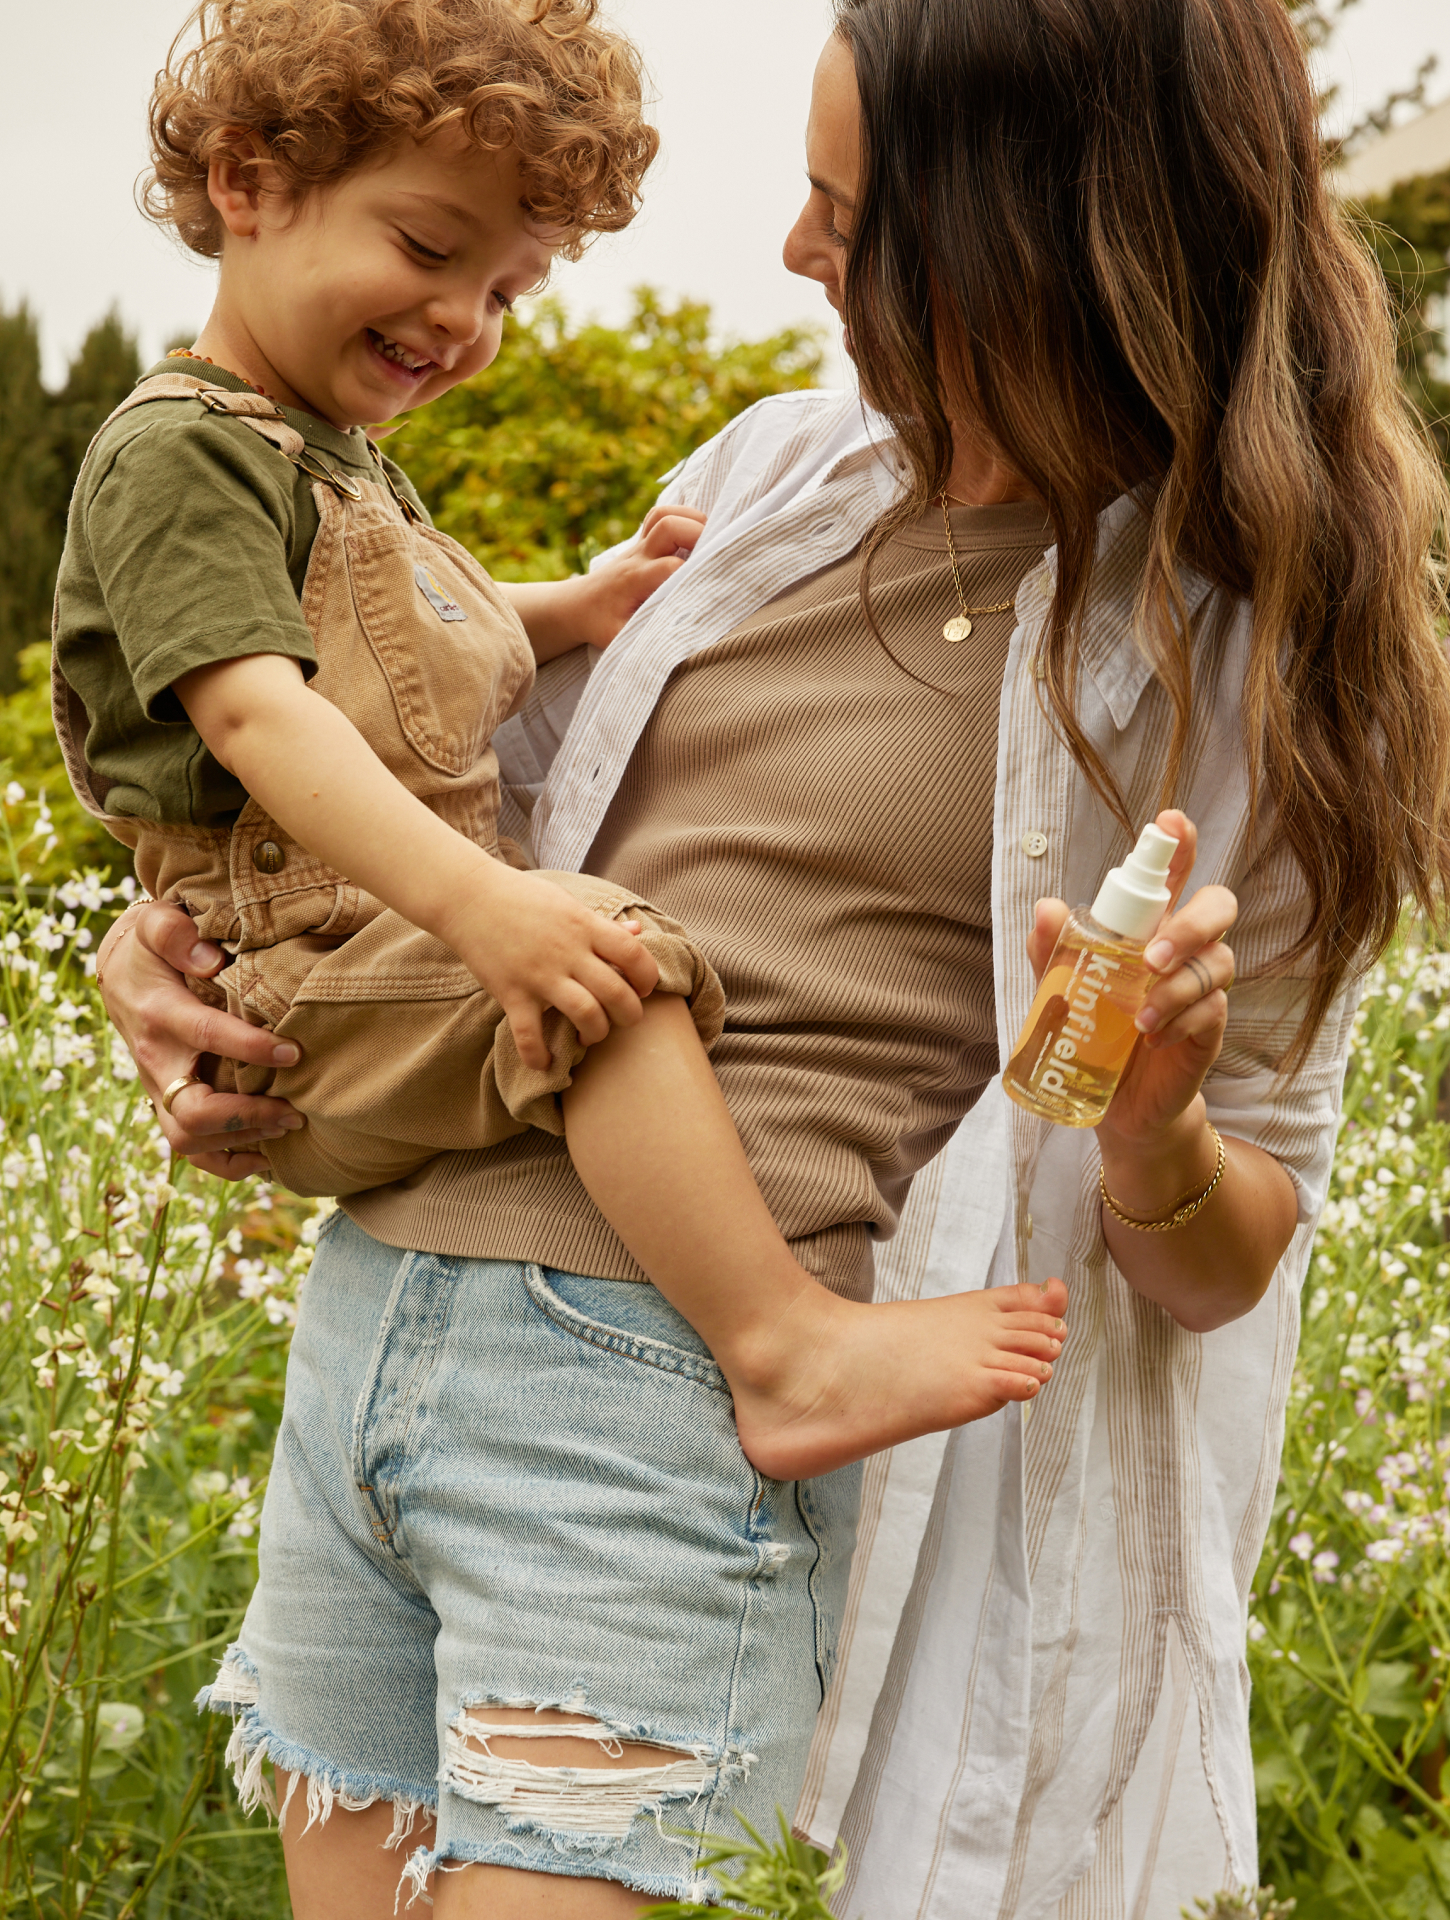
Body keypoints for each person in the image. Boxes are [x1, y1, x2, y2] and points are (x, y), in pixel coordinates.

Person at [96, 0, 1450, 1915]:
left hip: (640, 1420)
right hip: (382, 1342)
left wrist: (1148, 1137)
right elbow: (443, 813)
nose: (796, 253)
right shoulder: (768, 482)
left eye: (848, 214)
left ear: (1026, 242)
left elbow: (1230, 1251)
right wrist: (151, 959)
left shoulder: (1248, 672)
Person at [56, 0, 1068, 1493]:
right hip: (307, 963)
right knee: (611, 972)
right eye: (427, 248)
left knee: (591, 961)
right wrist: (496, 909)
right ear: (247, 179)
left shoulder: (323, 455)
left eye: (510, 289)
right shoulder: (184, 452)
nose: (464, 320)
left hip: (355, 951)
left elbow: (400, 644)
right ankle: (783, 1347)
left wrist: (575, 606)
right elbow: (260, 712)